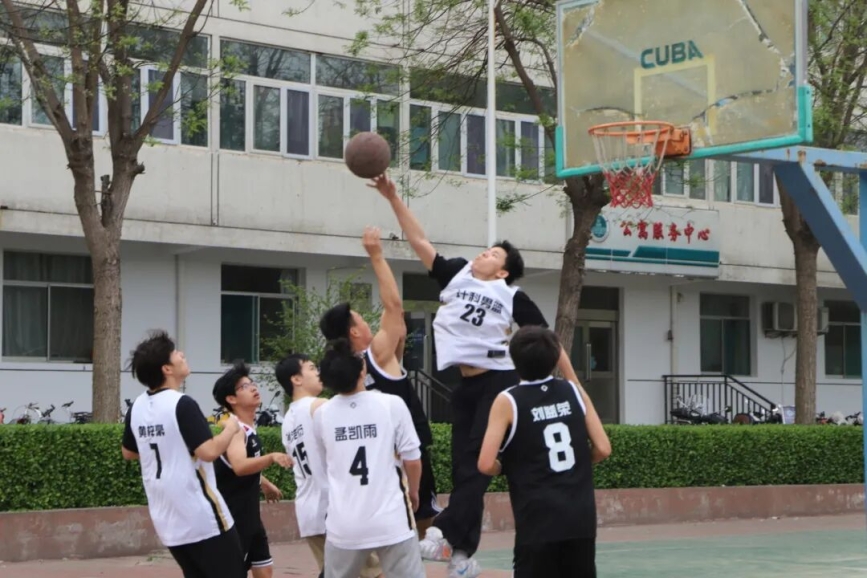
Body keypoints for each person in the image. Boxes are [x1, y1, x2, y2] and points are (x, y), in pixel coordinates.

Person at [374, 173, 604, 577]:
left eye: (494, 254)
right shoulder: (458, 273)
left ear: (502, 272)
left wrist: (573, 384)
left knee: (477, 465)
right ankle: (462, 555)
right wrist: (393, 198)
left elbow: (550, 341)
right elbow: (420, 242)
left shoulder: (510, 294)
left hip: (499, 381)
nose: (485, 253)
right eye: (486, 249)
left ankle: (444, 532)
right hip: (464, 384)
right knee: (464, 467)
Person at [320, 225, 441, 538]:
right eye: (361, 318)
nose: (366, 321)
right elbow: (395, 307)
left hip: (369, 461)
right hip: (403, 454)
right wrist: (376, 255)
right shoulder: (375, 355)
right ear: (354, 332)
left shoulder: (339, 372)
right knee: (418, 529)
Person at [478, 326, 611, 577]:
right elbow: (603, 448)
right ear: (555, 356)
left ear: (514, 359)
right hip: (580, 518)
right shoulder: (574, 391)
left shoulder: (508, 401)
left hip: (537, 519)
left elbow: (485, 464)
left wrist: (507, 467)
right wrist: (580, 461)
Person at [121, 330, 246, 578]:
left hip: (167, 518)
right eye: (176, 353)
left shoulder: (137, 407)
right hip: (201, 516)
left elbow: (129, 452)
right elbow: (209, 452)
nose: (182, 355)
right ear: (167, 368)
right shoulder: (182, 404)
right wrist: (231, 429)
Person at [311, 338, 426, 578]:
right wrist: (414, 492)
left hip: (344, 523)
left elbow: (324, 464)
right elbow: (412, 459)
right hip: (391, 517)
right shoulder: (391, 404)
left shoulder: (322, 415)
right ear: (362, 370)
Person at [277, 352, 383, 578]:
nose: (318, 373)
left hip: (309, 511)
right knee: (374, 573)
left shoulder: (287, 421)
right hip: (334, 508)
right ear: (296, 379)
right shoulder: (321, 407)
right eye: (312, 368)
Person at [212, 361, 293, 578]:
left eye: (252, 383)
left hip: (251, 517)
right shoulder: (235, 430)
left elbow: (241, 465)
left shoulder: (248, 428)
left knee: (264, 571)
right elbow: (239, 466)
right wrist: (272, 457)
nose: (253, 388)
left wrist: (264, 483)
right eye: (244, 387)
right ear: (231, 399)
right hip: (234, 517)